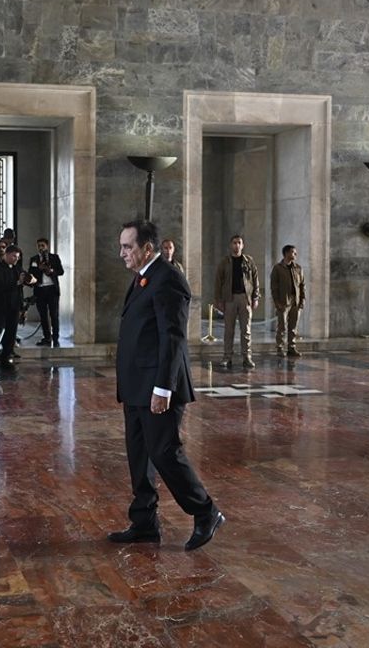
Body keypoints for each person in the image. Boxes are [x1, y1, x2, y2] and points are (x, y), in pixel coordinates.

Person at [109, 219, 223, 551]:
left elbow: (172, 340)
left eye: (127, 247)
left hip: (157, 387)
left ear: (147, 248)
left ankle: (206, 511)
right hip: (136, 386)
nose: (122, 253)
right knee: (140, 455)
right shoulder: (144, 278)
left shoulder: (169, 280)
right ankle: (144, 522)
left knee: (164, 453)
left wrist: (163, 389)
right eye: (122, 246)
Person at [212, 235, 261, 369]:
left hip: (245, 298)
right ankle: (227, 356)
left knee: (246, 330)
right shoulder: (224, 262)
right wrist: (218, 300)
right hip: (230, 298)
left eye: (239, 243)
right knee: (229, 330)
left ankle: (247, 357)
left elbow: (255, 280)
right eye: (234, 243)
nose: (237, 245)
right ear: (230, 245)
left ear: (242, 245)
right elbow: (218, 282)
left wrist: (255, 297)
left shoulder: (249, 261)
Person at [0, 245, 34, 367]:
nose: (16, 259)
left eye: (17, 257)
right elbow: (1, 286)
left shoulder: (17, 268)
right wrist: (18, 282)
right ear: (7, 255)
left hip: (14, 306)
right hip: (0, 307)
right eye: (13, 256)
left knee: (11, 333)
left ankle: (6, 358)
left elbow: (26, 281)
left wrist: (30, 280)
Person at [269, 244, 306, 357]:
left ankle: (292, 347)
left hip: (296, 300)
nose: (295, 254)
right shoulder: (278, 268)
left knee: (293, 326)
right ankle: (280, 347)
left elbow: (302, 285)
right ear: (286, 253)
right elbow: (274, 287)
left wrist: (302, 300)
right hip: (283, 301)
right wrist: (277, 302)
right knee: (282, 326)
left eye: (295, 252)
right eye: (293, 252)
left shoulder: (298, 268)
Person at [29, 238, 65, 347]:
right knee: (43, 315)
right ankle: (47, 338)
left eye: (42, 245)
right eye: (39, 246)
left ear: (47, 246)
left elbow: (61, 271)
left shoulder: (54, 257)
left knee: (54, 314)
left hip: (52, 290)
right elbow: (30, 273)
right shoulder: (34, 259)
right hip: (40, 290)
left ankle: (56, 338)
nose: (40, 248)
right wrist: (39, 269)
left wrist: (51, 271)